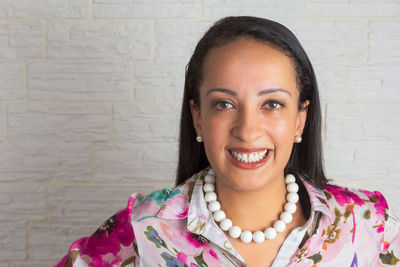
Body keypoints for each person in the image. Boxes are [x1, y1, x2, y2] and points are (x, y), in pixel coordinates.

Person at [55, 16, 400, 267]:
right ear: (198, 116)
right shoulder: (143, 229)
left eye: (272, 104)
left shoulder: (368, 225)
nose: (247, 130)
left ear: (300, 120)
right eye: (224, 104)